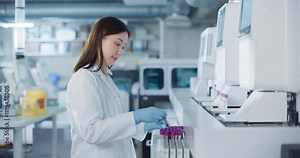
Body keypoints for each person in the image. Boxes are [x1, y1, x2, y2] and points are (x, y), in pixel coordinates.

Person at [65, 17, 167, 158]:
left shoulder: (104, 76)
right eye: (117, 44)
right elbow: (91, 131)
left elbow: (112, 122)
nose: (120, 52)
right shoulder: (84, 79)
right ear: (99, 39)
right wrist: (135, 117)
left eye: (123, 47)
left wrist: (140, 127)